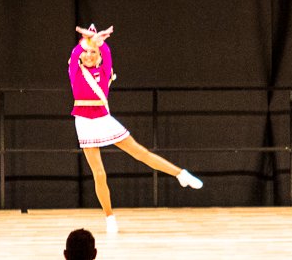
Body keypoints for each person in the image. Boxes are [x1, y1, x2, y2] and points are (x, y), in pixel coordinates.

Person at [68, 24, 203, 233]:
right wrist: (87, 40)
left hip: (104, 119)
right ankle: (109, 217)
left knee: (141, 153)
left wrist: (99, 42)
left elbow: (107, 52)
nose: (88, 55)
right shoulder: (75, 71)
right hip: (84, 122)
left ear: (99, 55)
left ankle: (181, 175)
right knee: (99, 173)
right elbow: (75, 53)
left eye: (93, 52)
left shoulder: (104, 70)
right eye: (85, 52)